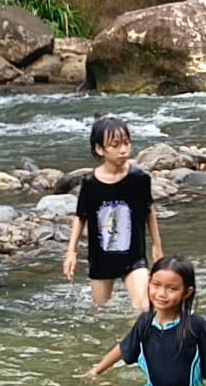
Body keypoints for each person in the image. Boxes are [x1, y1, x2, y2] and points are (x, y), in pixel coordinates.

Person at [83, 255, 206, 386]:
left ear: (187, 292)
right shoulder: (145, 322)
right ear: (149, 283)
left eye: (172, 289)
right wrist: (96, 371)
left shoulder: (195, 325)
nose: (162, 294)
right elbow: (123, 348)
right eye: (156, 285)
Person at [62, 117, 162, 312]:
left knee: (143, 307)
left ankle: (136, 341)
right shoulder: (90, 182)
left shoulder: (140, 178)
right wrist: (71, 252)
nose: (123, 150)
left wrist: (157, 246)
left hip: (134, 255)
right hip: (101, 258)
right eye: (115, 145)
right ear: (100, 149)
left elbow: (149, 210)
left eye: (126, 143)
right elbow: (80, 217)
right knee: (101, 312)